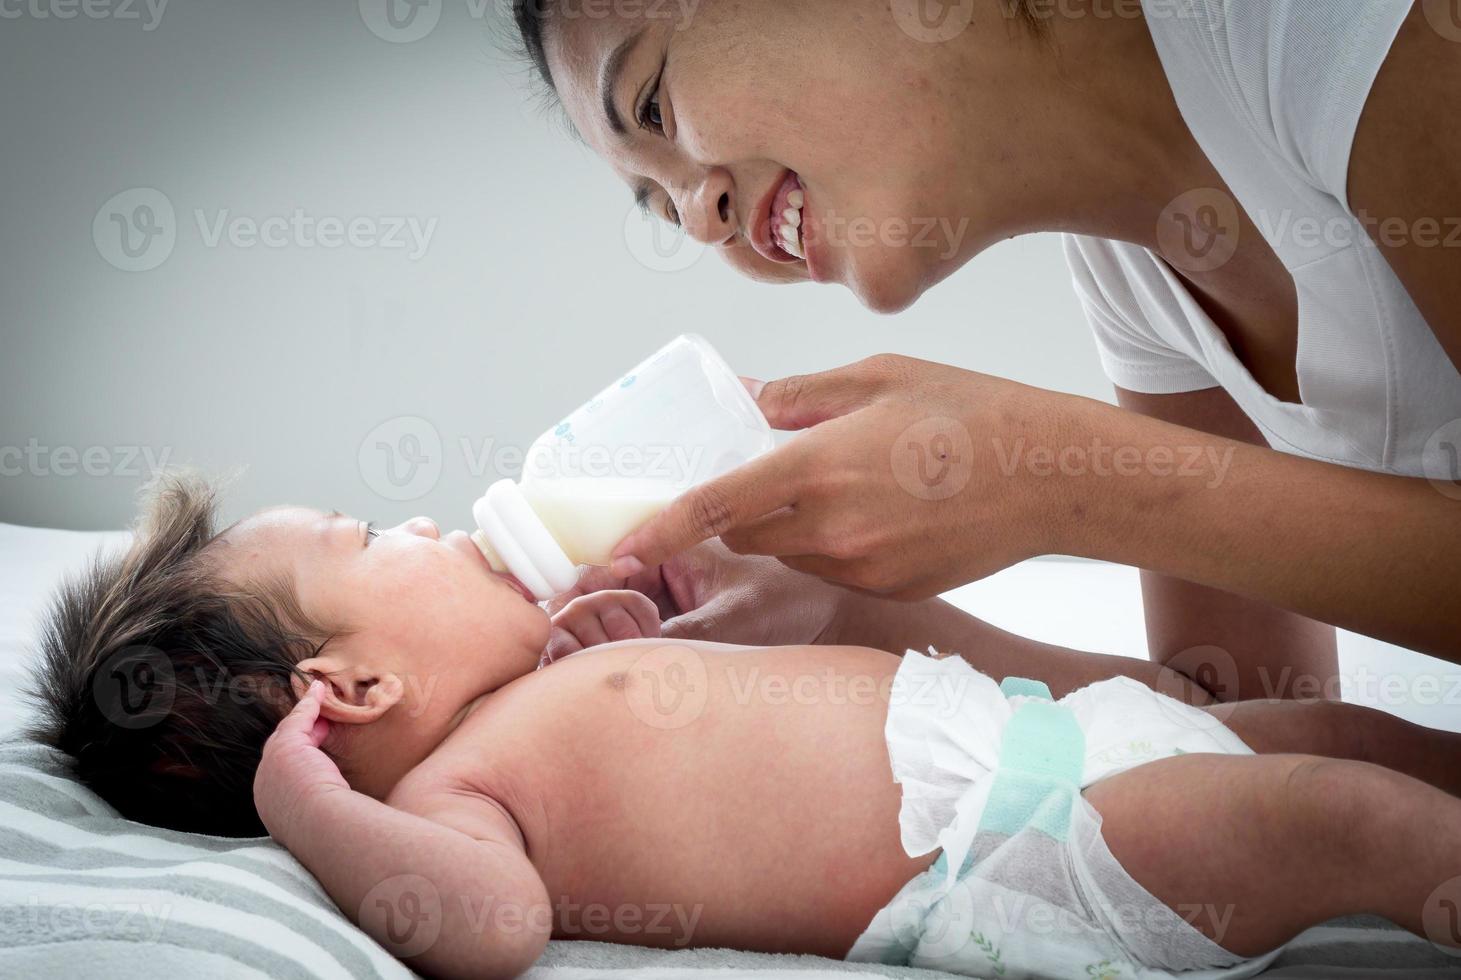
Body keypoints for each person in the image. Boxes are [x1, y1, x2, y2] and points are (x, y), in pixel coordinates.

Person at [29, 477, 1461, 978]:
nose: (419, 522)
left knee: (1343, 737)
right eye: (366, 538)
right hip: (1025, 853)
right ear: (347, 693)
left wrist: (620, 638)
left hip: (1058, 737)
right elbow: (491, 929)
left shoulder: (542, 689)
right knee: (1342, 823)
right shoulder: (455, 800)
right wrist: (310, 810)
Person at [506, 0, 1461, 688]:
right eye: (658, 204)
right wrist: (855, 623)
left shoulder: (1334, 29)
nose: (697, 216)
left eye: (655, 107)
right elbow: (1255, 724)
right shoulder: (1137, 270)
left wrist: (1054, 478)